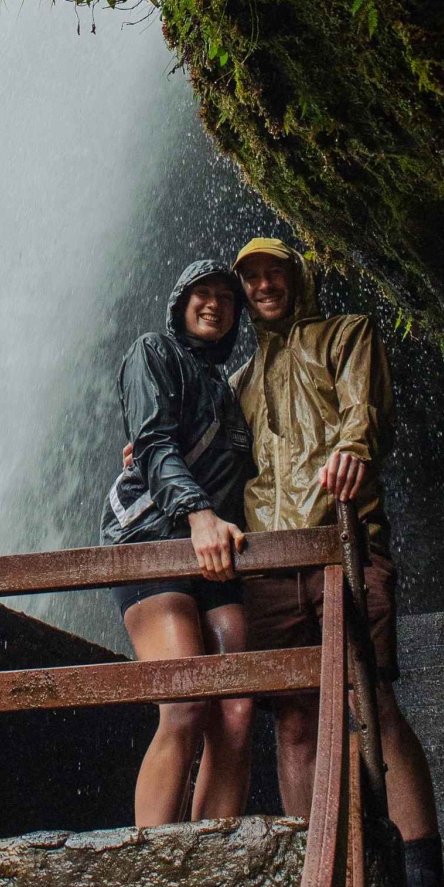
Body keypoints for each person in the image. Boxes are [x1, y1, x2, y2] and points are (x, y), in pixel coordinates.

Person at [229, 236, 444, 887]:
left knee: (374, 702)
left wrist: (354, 450)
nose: (264, 285)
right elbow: (213, 458)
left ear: (296, 276)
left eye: (274, 272)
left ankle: (424, 885)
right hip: (270, 563)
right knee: (295, 721)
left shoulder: (346, 334)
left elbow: (365, 413)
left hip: (344, 541)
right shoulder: (239, 382)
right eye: (251, 277)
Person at [101, 259, 256, 828]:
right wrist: (198, 514)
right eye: (201, 293)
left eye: (226, 297)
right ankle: (154, 860)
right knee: (186, 700)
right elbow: (154, 443)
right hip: (150, 532)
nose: (213, 303)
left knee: (237, 710)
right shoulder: (153, 351)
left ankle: (212, 854)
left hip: (211, 545)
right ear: (180, 303)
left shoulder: (230, 391)